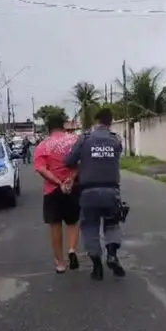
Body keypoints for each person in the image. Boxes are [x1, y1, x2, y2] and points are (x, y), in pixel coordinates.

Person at [64, 108, 124, 281]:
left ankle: (97, 267)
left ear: (96, 122)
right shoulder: (115, 140)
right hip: (111, 191)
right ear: (110, 122)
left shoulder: (84, 139)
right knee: (112, 224)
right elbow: (115, 157)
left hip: (88, 192)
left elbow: (69, 162)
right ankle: (112, 255)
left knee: (90, 227)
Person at [34, 113, 82, 273]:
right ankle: (72, 250)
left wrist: (58, 182)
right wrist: (70, 179)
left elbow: (41, 168)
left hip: (52, 190)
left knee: (55, 225)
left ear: (48, 129)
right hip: (73, 187)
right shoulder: (75, 140)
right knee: (73, 222)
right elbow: (81, 162)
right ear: (63, 126)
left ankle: (61, 263)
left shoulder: (43, 145)